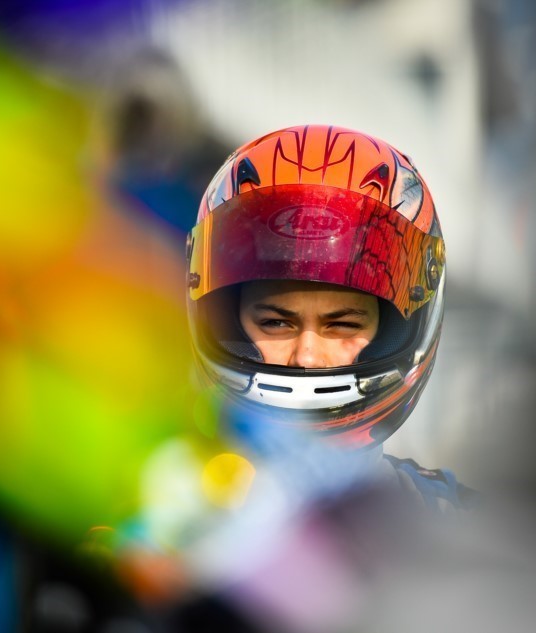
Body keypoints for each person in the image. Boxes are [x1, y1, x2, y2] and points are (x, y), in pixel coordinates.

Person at [185, 124, 474, 513]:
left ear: (396, 328)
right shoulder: (145, 525)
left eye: (342, 325)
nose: (306, 355)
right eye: (275, 322)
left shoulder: (464, 527)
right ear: (222, 320)